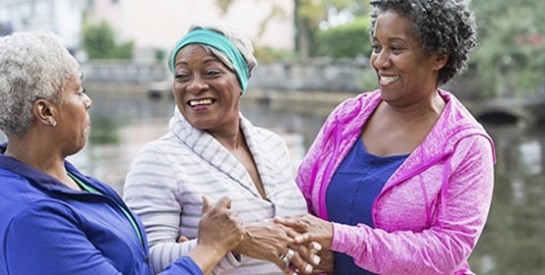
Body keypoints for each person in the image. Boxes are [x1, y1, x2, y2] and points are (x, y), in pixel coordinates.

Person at [274, 0, 496, 274]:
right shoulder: (347, 117)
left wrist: (339, 237)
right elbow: (300, 199)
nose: (379, 61)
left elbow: (447, 249)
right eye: (376, 47)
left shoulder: (467, 146)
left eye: (396, 48)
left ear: (440, 57)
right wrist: (310, 252)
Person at [0, 31, 245, 275]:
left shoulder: (61, 177)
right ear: (46, 111)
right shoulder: (34, 217)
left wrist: (185, 255)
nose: (88, 102)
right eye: (78, 91)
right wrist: (210, 249)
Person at [123, 23, 319, 275]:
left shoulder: (273, 145)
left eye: (211, 72)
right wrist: (235, 243)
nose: (194, 86)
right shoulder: (156, 160)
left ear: (241, 80)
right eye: (182, 75)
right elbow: (145, 262)